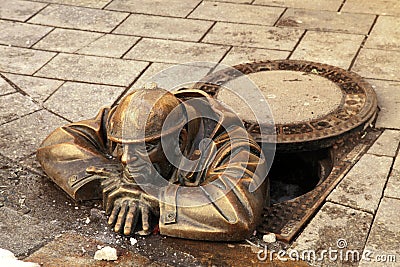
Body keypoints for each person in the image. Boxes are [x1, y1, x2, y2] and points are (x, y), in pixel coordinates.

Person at [37, 88, 269, 241]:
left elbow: (239, 212)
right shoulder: (124, 123)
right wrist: (109, 178)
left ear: (182, 138)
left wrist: (156, 196)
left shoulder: (233, 146)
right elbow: (56, 143)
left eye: (146, 148)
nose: (126, 159)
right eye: (121, 146)